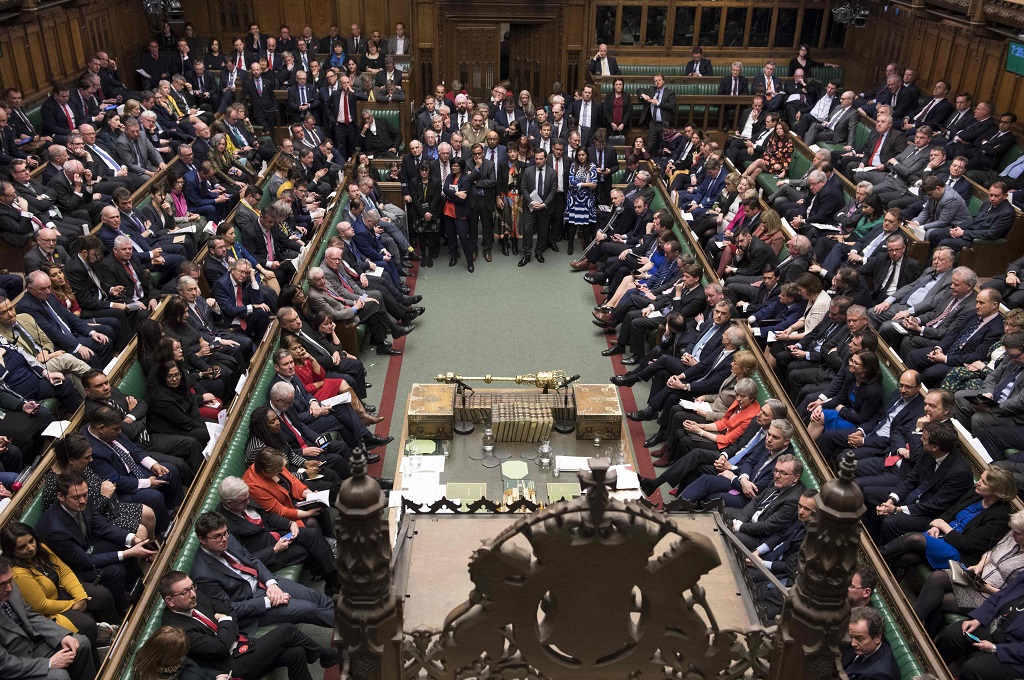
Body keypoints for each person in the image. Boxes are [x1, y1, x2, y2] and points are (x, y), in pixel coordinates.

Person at [35, 471, 157, 615]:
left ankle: (137, 589)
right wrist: (127, 553)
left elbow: (103, 527)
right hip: (70, 568)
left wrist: (134, 540)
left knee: (126, 544)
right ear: (60, 497)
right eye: (76, 497)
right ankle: (124, 610)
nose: (82, 500)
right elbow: (85, 561)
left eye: (84, 495)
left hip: (85, 548)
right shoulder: (55, 530)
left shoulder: (82, 503)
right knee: (115, 571)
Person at [189, 511, 334, 631]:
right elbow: (230, 608)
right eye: (217, 536)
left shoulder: (229, 538)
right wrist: (268, 601)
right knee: (310, 609)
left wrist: (271, 584)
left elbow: (252, 560)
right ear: (202, 539)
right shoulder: (202, 574)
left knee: (315, 596)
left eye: (225, 533)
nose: (224, 539)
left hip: (264, 583)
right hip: (253, 605)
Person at [0, 521, 119, 652]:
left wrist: (81, 597)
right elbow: (42, 606)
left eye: (31, 541)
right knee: (87, 625)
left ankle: (118, 636)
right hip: (50, 610)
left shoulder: (42, 548)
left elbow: (64, 571)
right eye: (22, 547)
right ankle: (100, 663)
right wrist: (72, 604)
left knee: (103, 595)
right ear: (11, 551)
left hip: (60, 591)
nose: (30, 548)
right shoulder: (17, 573)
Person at [216, 476, 340, 595]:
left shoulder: (243, 498)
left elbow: (267, 517)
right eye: (243, 502)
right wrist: (274, 550)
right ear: (229, 503)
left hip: (277, 535)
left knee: (312, 535)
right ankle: (334, 584)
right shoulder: (224, 526)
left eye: (247, 498)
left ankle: (334, 582)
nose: (247, 502)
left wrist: (290, 524)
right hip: (268, 555)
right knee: (308, 548)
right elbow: (243, 559)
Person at [41, 433, 156, 545]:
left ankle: (150, 551)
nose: (91, 460)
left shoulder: (79, 467)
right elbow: (79, 517)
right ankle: (142, 558)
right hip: (94, 524)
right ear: (71, 460)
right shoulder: (55, 486)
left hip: (108, 507)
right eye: (87, 457)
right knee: (141, 531)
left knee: (148, 514)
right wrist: (104, 497)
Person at [0, 556, 96, 680]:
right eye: (2, 584)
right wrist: (49, 663)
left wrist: (61, 635)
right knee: (58, 676)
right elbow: (4, 665)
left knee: (81, 644)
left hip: (32, 646)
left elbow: (30, 615)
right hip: (12, 665)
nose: (9, 588)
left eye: (10, 581)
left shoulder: (10, 587)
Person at [842, 606, 899, 680]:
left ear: (877, 638)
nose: (853, 643)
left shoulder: (879, 675)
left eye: (859, 638)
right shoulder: (862, 642)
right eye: (851, 636)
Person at [564, 147, 597, 258]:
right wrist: (586, 184)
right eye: (579, 155)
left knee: (586, 225)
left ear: (587, 155)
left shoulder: (592, 166)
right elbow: (571, 183)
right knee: (572, 224)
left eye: (583, 155)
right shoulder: (573, 166)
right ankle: (570, 244)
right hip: (574, 199)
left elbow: (594, 184)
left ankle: (587, 246)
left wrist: (580, 185)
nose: (581, 157)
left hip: (587, 200)